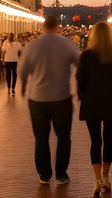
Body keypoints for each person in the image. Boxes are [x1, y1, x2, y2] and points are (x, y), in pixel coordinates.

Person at [18, 15, 80, 185]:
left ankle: (44, 174)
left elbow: (22, 70)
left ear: (43, 27)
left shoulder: (32, 45)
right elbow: (80, 65)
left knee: (41, 138)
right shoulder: (67, 44)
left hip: (37, 99)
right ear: (57, 27)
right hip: (62, 98)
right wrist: (80, 89)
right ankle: (61, 173)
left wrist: (23, 85)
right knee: (64, 136)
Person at [77, 21, 112, 197]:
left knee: (95, 141)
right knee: (109, 140)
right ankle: (106, 177)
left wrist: (80, 93)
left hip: (92, 102)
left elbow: (80, 79)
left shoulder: (86, 55)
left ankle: (96, 179)